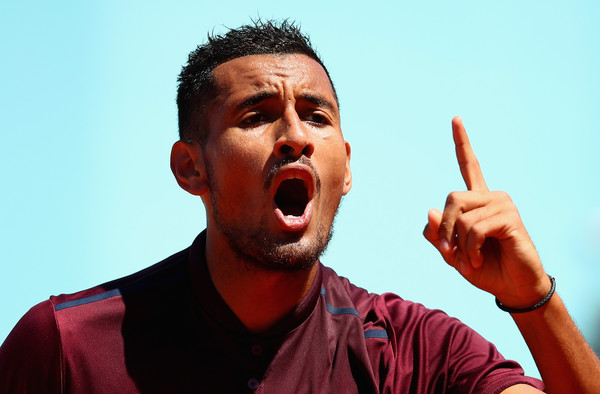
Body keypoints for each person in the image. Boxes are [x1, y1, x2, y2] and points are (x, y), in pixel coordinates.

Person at [1, 20, 599, 393]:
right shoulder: (64, 348)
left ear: (345, 168)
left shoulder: (408, 354)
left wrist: (531, 297)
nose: (296, 136)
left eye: (317, 116)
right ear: (191, 168)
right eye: (256, 115)